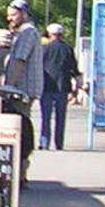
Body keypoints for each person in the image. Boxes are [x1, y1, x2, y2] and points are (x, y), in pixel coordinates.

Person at [0, 0, 43, 155]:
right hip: (21, 90)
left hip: (21, 91)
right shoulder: (24, 32)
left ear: (24, 14)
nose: (9, 18)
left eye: (13, 15)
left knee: (19, 132)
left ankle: (21, 170)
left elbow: (19, 61)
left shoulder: (27, 32)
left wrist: (7, 88)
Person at [39, 21, 80, 150]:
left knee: (45, 117)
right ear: (61, 35)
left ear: (50, 34)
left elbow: (38, 67)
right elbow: (74, 69)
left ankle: (44, 143)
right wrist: (77, 86)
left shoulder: (44, 49)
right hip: (63, 86)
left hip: (46, 86)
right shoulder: (68, 49)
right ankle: (59, 144)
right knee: (60, 118)